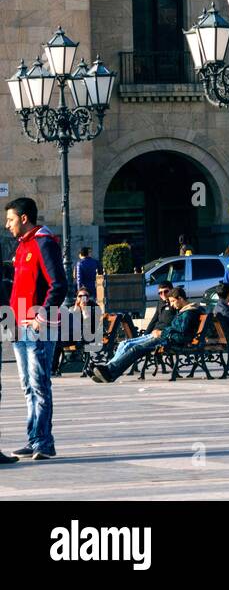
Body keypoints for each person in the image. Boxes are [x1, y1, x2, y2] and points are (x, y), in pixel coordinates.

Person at [5, 197, 68, 461]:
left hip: (37, 326)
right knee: (28, 386)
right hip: (19, 325)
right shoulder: (23, 246)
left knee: (40, 384)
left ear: (23, 218)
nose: (7, 225)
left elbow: (59, 284)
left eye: (10, 219)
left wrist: (41, 314)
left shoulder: (43, 243)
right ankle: (34, 439)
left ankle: (44, 442)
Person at [91, 286, 200, 383]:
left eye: (172, 301)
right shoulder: (184, 311)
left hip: (169, 340)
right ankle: (110, 373)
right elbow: (176, 329)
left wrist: (162, 332)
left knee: (136, 349)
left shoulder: (188, 313)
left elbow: (181, 333)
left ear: (180, 299)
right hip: (166, 338)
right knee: (134, 348)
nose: (171, 304)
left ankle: (110, 371)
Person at [52, 287, 101, 374]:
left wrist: (84, 310)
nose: (82, 298)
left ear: (88, 297)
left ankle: (54, 368)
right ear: (77, 298)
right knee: (57, 341)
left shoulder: (94, 308)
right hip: (75, 336)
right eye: (80, 296)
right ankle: (53, 369)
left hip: (88, 336)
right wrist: (75, 309)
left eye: (85, 296)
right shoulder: (72, 308)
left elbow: (90, 327)